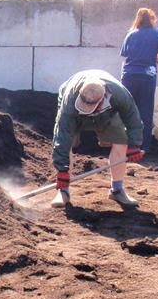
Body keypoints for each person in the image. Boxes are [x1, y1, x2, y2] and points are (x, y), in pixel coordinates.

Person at [51, 69, 145, 209]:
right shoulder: (70, 101)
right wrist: (62, 169)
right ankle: (63, 191)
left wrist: (134, 144)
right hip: (73, 113)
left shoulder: (119, 94)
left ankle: (117, 190)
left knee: (121, 142)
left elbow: (133, 119)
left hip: (108, 113)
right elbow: (61, 137)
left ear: (101, 101)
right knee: (67, 143)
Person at [120, 7, 158, 153]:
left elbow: (125, 59)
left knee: (128, 109)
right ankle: (144, 146)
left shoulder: (130, 35)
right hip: (147, 76)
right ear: (152, 19)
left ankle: (126, 145)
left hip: (129, 75)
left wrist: (122, 77)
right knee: (145, 110)